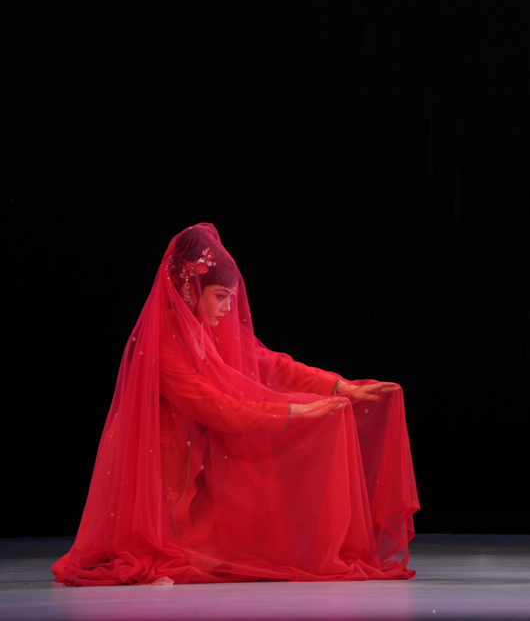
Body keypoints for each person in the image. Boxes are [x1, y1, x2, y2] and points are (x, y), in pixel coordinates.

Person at [53, 224, 418, 586]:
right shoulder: (163, 341)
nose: (229, 308)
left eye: (231, 297)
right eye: (220, 296)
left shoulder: (206, 330)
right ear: (189, 287)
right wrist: (295, 412)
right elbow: (216, 408)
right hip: (161, 466)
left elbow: (271, 364)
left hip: (196, 461)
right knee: (182, 553)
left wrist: (340, 386)